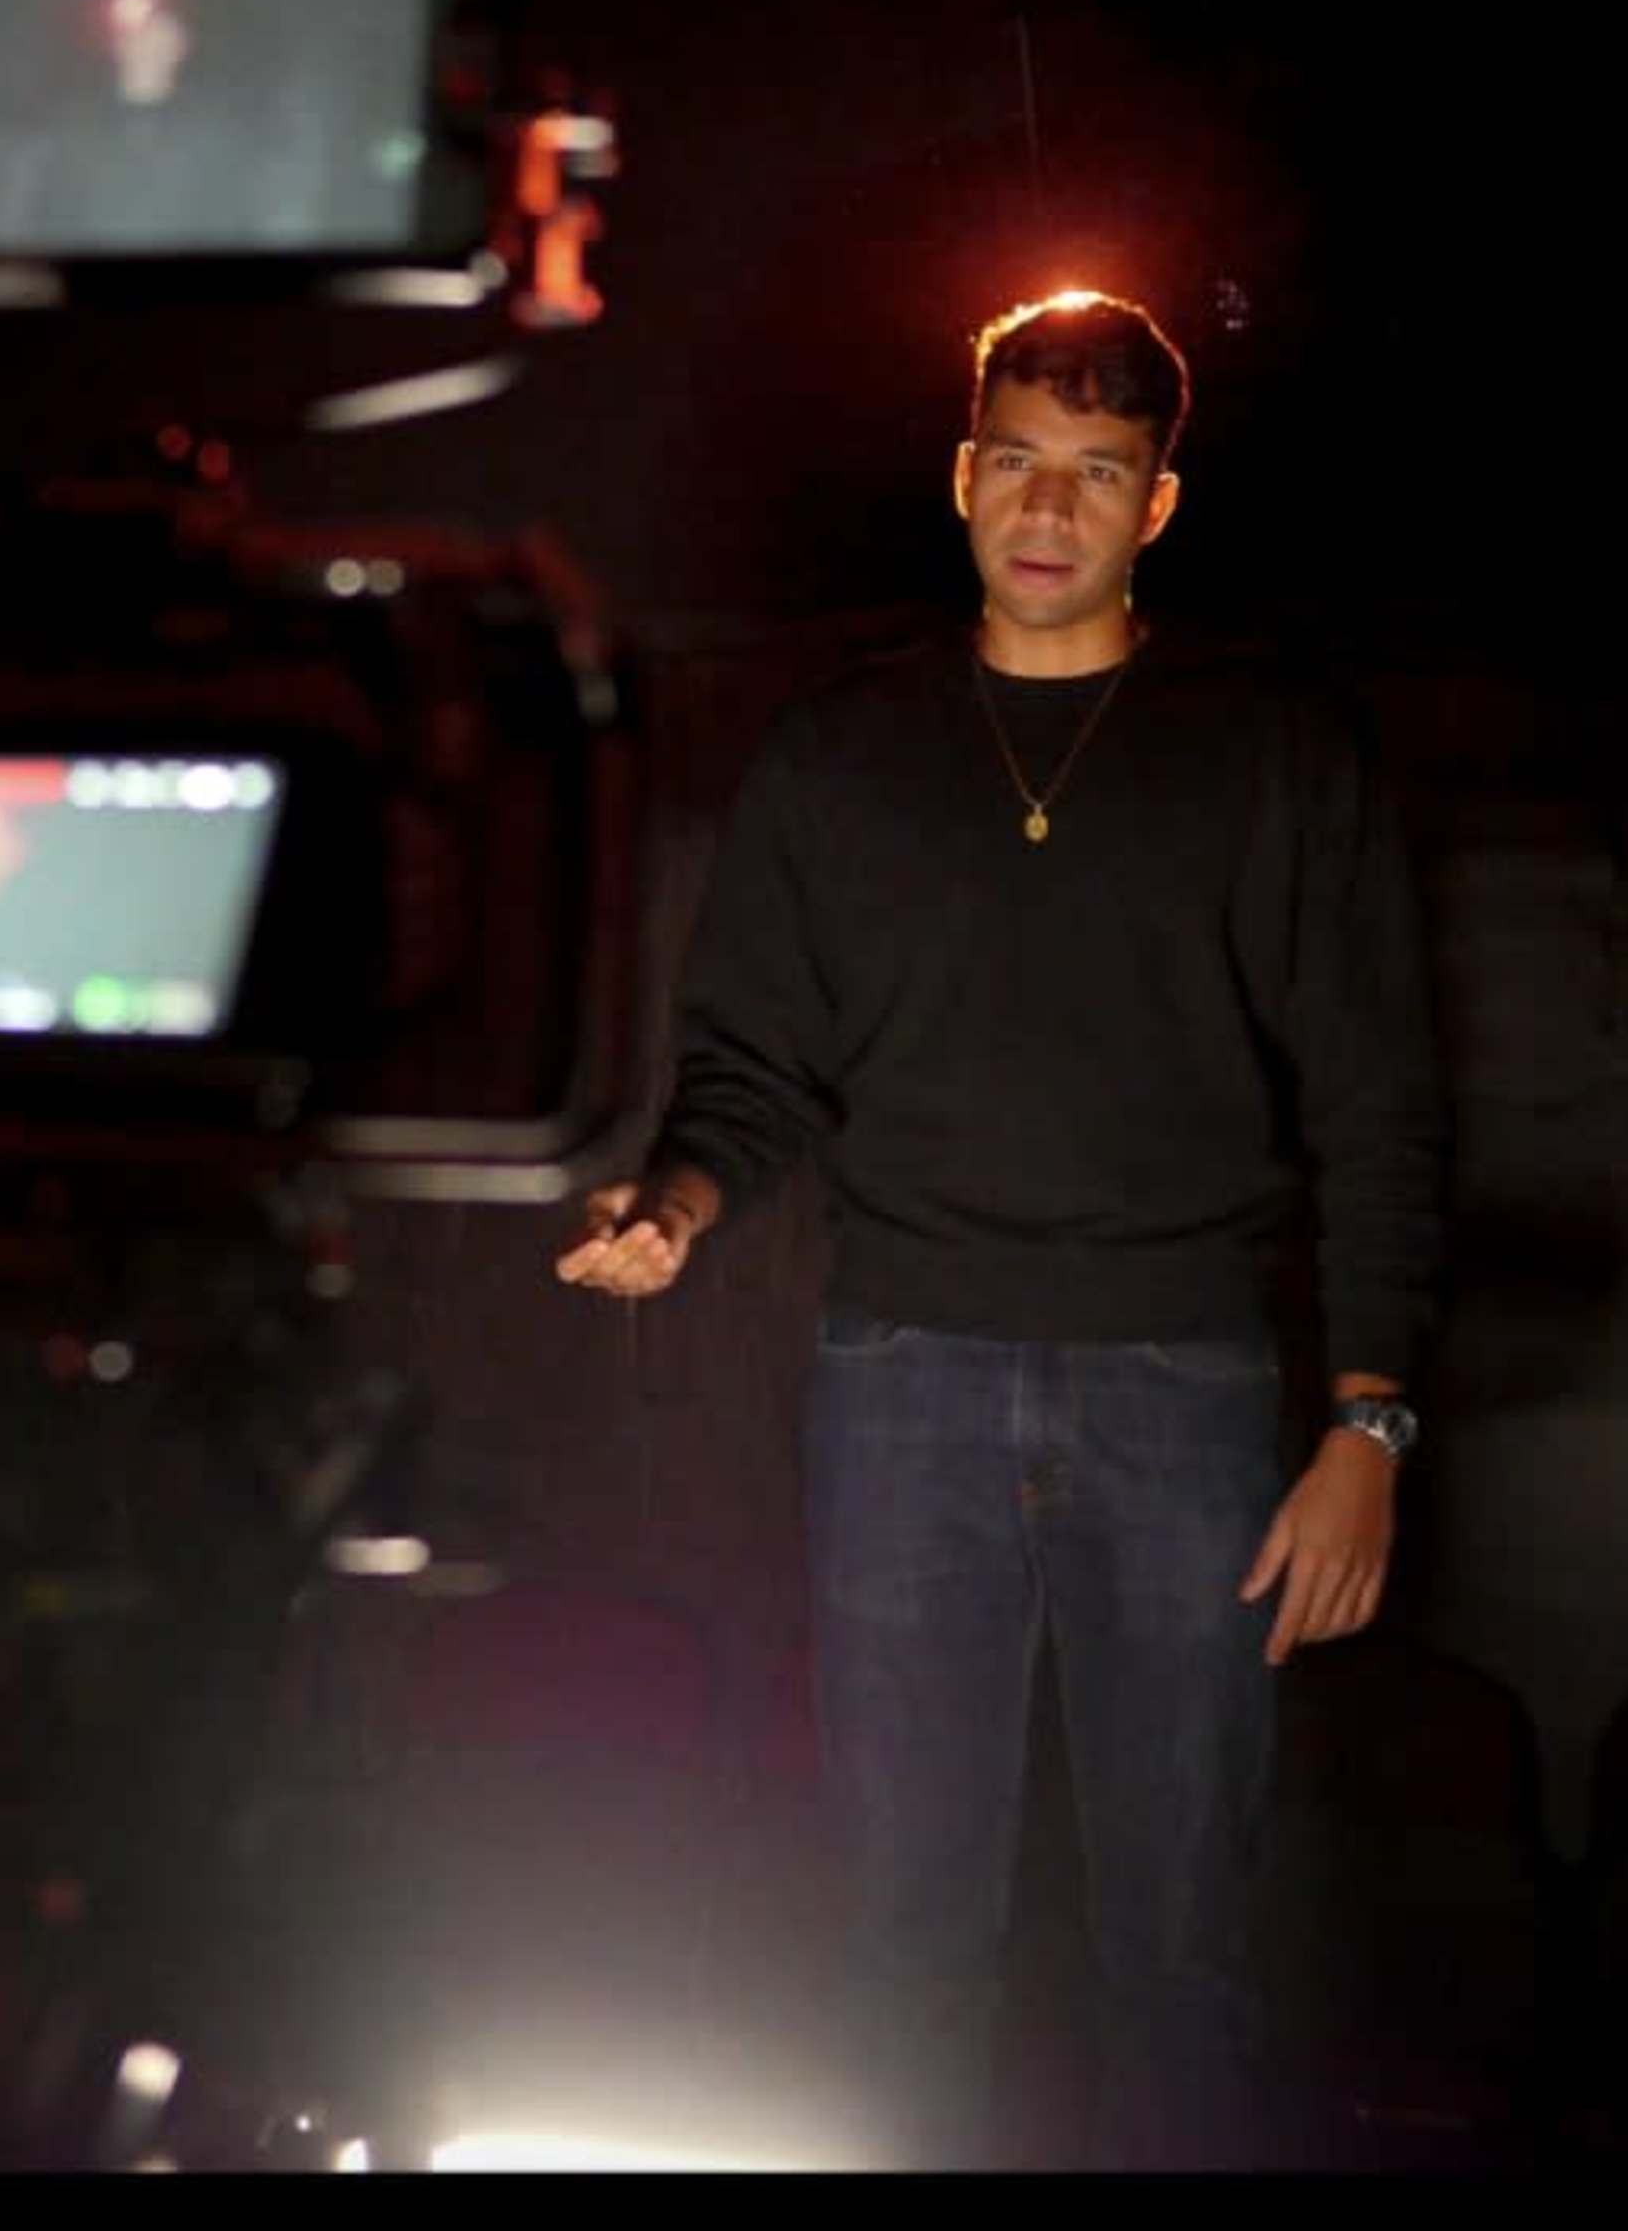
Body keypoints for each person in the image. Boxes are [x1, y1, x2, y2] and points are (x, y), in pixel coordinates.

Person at [555, 291, 1448, 2168]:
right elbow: (751, 1068)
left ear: (1159, 506)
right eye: (1021, 463)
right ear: (966, 478)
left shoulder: (1273, 753)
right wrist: (678, 1201)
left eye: (1100, 474)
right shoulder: (843, 752)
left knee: (1186, 1942)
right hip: (905, 1387)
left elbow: (1379, 1101)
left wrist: (1368, 1426)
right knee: (903, 1934)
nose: (1053, 508)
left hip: (1189, 1393)